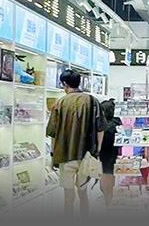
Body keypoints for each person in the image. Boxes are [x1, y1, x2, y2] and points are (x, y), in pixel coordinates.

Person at [46, 70, 105, 216]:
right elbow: (100, 128)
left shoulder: (60, 103)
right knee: (83, 193)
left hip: (65, 155)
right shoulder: (92, 101)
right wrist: (97, 150)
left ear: (65, 84)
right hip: (86, 155)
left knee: (68, 197)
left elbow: (53, 133)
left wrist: (53, 154)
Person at [98, 99, 122, 206]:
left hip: (105, 157)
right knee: (109, 181)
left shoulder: (104, 127)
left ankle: (109, 203)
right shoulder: (117, 122)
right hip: (114, 155)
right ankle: (110, 201)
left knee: (105, 184)